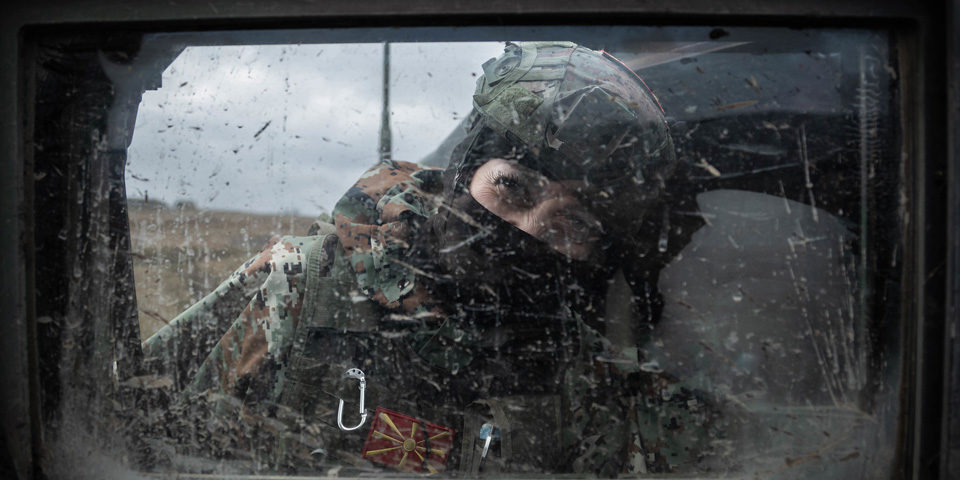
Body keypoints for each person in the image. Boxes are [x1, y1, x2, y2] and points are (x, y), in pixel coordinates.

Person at [141, 41, 722, 475]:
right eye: (512, 189)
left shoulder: (592, 381)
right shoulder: (300, 283)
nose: (523, 233)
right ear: (466, 174)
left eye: (568, 225)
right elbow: (146, 430)